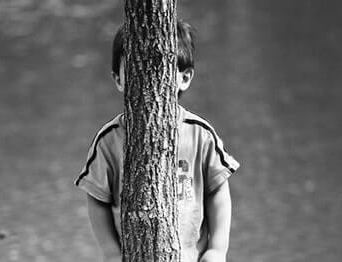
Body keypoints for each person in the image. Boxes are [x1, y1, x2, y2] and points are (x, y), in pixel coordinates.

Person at [74, 20, 240, 262]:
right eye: (133, 69)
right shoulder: (108, 141)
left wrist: (217, 248)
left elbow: (218, 190)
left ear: (184, 78)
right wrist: (111, 253)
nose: (146, 78)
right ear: (118, 80)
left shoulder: (200, 135)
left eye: (159, 68)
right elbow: (97, 199)